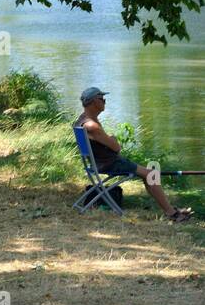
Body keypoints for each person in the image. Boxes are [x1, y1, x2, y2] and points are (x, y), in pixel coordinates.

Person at [78, 87, 193, 223]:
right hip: (109, 164)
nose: (105, 101)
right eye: (101, 98)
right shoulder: (92, 125)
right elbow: (116, 147)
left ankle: (170, 210)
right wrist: (113, 140)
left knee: (148, 173)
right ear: (92, 102)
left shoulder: (82, 120)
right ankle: (171, 212)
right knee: (151, 174)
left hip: (100, 163)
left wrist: (110, 140)